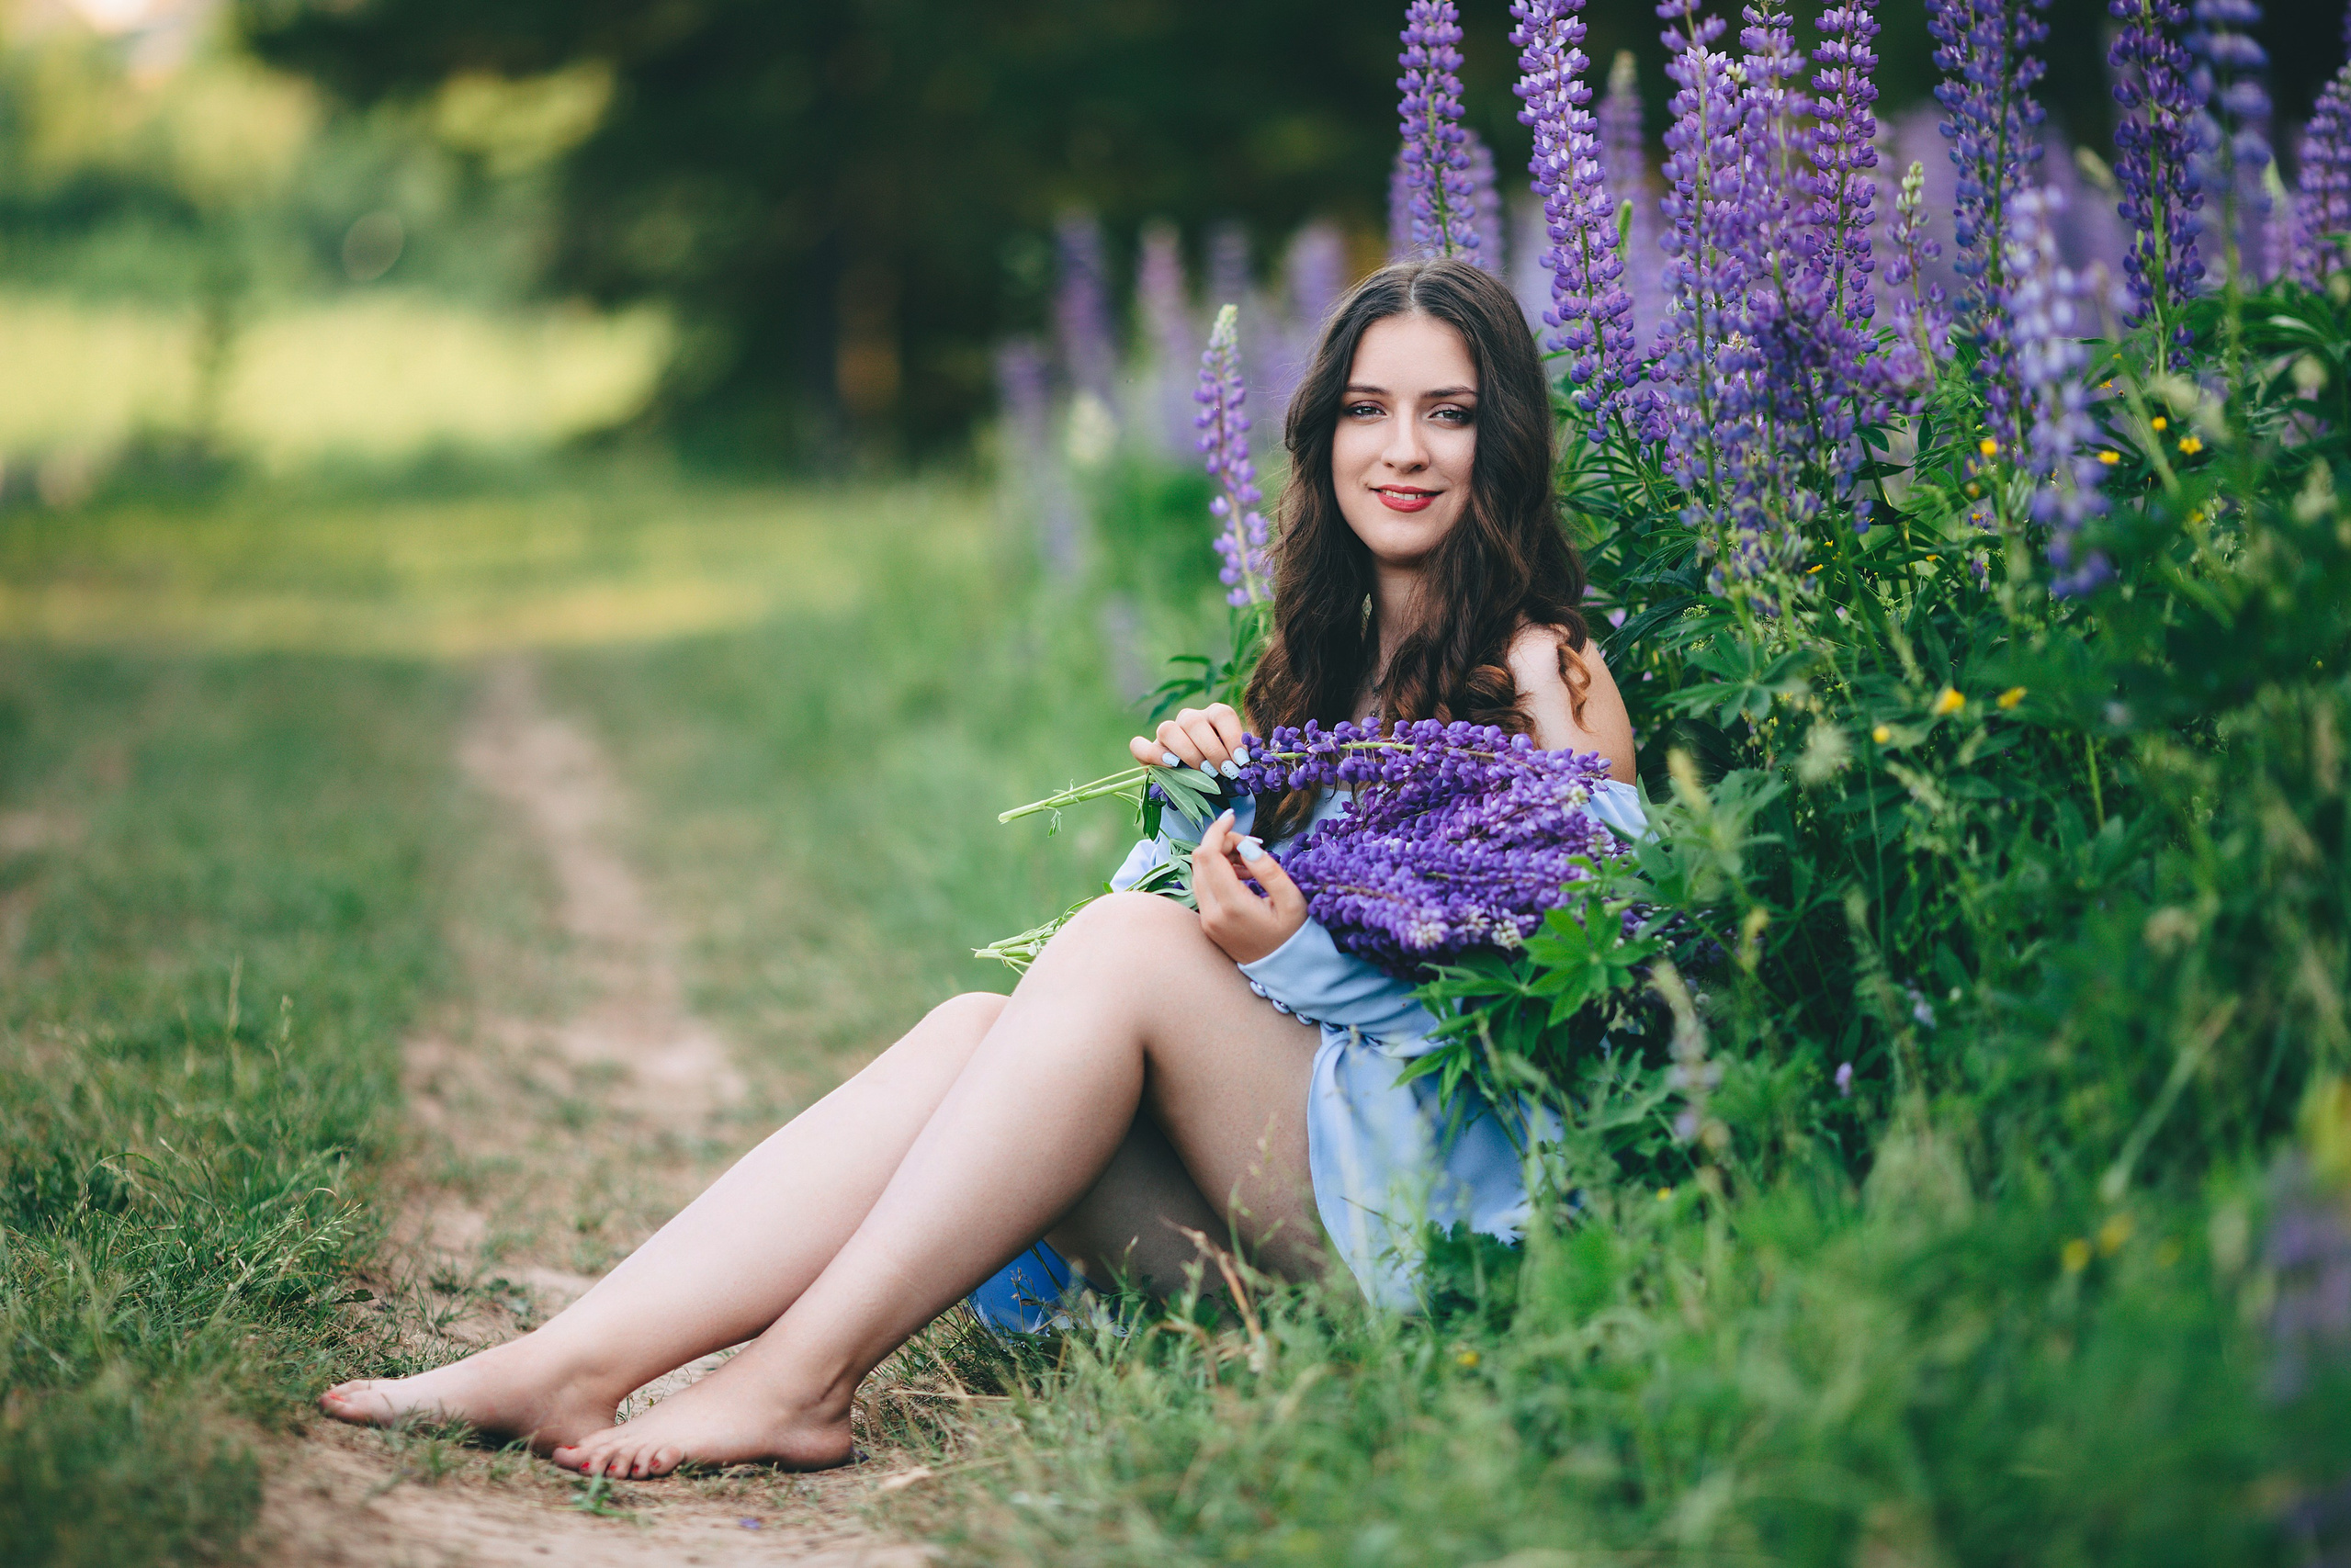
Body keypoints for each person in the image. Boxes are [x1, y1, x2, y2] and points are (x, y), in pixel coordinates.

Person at [319, 256, 1639, 1480]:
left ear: (1502, 444)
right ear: (1324, 440)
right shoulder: (1316, 671)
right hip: (1284, 1206)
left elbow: (1572, 1019)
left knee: (1120, 956)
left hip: (1434, 1243)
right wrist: (1193, 815)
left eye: (1448, 414)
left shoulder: (1549, 677)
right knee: (974, 1028)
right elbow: (1175, 962)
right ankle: (568, 1363)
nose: (1403, 449)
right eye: (1367, 409)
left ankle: (797, 1380)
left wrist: (1283, 953)